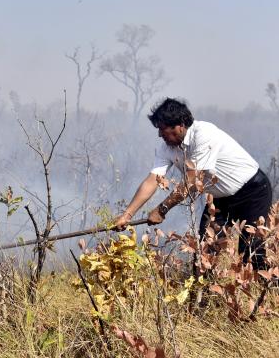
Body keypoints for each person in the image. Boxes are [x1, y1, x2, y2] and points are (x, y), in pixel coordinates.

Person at [114, 98, 272, 269]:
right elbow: (152, 180)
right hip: (220, 200)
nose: (160, 135)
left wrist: (162, 209)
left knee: (252, 251)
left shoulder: (204, 133)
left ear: (180, 125)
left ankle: (268, 291)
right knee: (205, 251)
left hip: (253, 191)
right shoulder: (166, 148)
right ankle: (203, 294)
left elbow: (193, 181)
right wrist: (127, 215)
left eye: (162, 129)